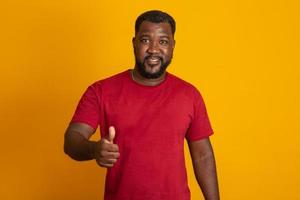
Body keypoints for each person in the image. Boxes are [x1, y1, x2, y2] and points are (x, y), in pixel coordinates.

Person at [64, 10, 220, 200]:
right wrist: (94, 149)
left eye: (163, 41)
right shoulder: (101, 90)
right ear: (134, 43)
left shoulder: (189, 95)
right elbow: (72, 139)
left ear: (173, 46)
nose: (154, 49)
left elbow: (203, 156)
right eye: (146, 40)